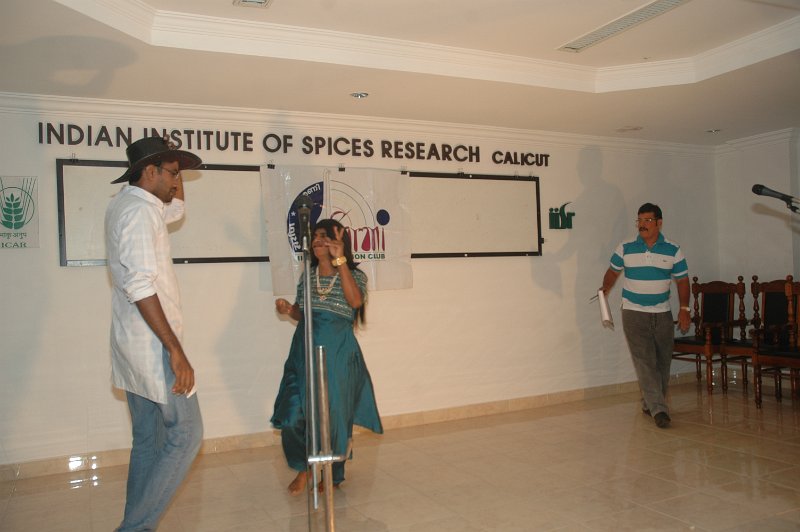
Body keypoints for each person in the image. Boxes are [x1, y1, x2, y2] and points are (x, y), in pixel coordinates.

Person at [105, 136, 204, 531]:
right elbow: (140, 285)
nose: (178, 182)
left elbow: (175, 208)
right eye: (173, 173)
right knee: (187, 434)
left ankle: (134, 523)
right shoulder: (139, 212)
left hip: (135, 347)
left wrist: (174, 160)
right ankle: (134, 528)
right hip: (154, 346)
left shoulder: (131, 204)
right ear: (149, 172)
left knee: (148, 440)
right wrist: (175, 350)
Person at [271, 218, 383, 495]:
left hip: (337, 353)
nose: (318, 240)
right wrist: (289, 310)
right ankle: (305, 467)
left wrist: (340, 260)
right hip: (304, 351)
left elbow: (355, 302)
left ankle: (334, 473)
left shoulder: (355, 275)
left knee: (334, 415)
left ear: (339, 242)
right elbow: (302, 313)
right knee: (293, 413)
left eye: (325, 236)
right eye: (316, 236)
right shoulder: (307, 276)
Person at [601, 203, 690, 428]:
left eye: (647, 220)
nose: (642, 225)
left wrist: (684, 309)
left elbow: (682, 280)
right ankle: (659, 409)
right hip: (633, 312)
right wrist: (605, 288)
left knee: (662, 361)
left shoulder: (673, 249)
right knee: (644, 361)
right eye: (639, 220)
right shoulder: (626, 247)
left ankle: (650, 403)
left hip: (662, 313)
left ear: (659, 223)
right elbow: (612, 271)